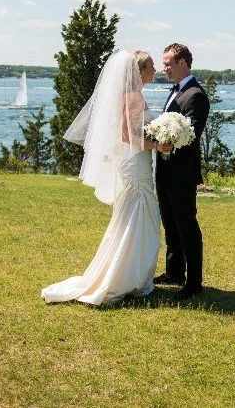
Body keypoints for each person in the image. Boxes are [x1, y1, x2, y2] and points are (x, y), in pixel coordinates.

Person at [41, 50, 172, 306]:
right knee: (139, 213)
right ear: (139, 71)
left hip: (134, 161)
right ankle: (124, 278)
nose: (154, 70)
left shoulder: (130, 95)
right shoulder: (133, 96)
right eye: (151, 66)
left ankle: (130, 273)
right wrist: (157, 146)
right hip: (136, 164)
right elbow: (127, 136)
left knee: (134, 216)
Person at [154, 43, 210, 299]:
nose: (164, 68)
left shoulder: (196, 95)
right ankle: (174, 271)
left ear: (183, 63)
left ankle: (194, 281)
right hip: (164, 169)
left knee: (186, 224)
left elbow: (192, 133)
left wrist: (169, 140)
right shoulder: (175, 91)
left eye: (167, 63)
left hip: (182, 172)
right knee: (169, 222)